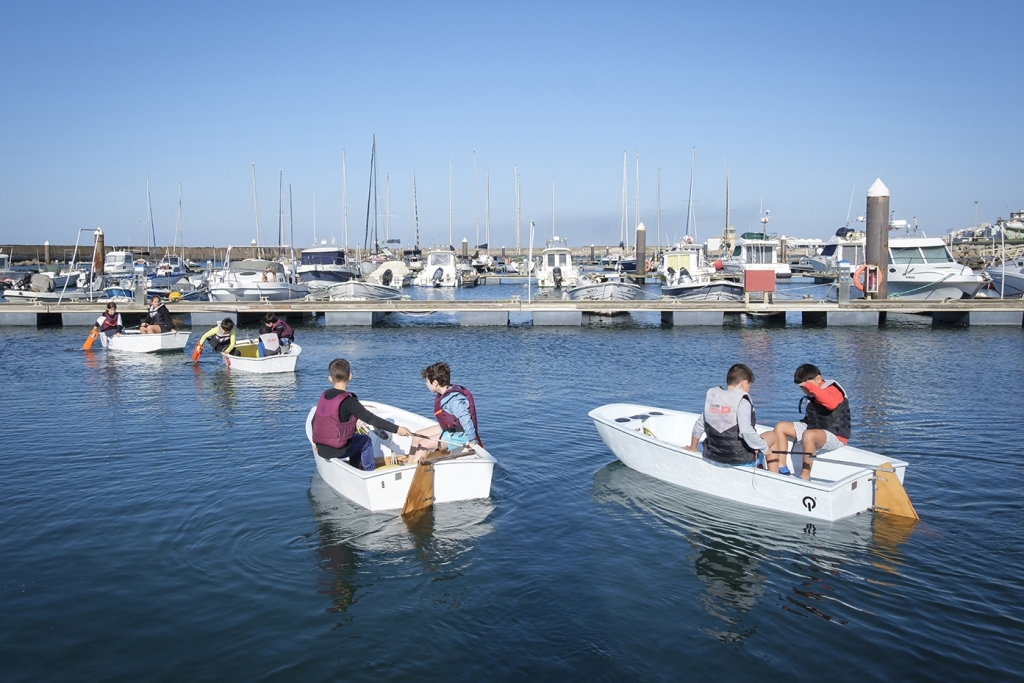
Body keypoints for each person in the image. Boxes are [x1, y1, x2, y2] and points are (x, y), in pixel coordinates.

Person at [311, 358, 412, 471]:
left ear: (330, 378)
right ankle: (370, 471)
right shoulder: (349, 401)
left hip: (321, 448)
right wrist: (397, 429)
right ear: (350, 376)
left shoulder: (324, 396)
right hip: (337, 449)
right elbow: (370, 419)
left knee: (355, 439)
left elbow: (314, 421)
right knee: (365, 441)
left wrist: (316, 442)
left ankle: (354, 468)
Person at [686, 363, 778, 469]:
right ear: (744, 384)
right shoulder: (742, 401)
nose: (749, 390)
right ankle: (773, 477)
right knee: (773, 436)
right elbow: (746, 432)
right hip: (740, 459)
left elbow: (699, 425)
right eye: (749, 386)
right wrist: (765, 449)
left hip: (713, 456)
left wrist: (693, 448)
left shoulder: (714, 399)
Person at [772, 364, 851, 480]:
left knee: (809, 435)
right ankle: (782, 466)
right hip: (814, 428)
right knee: (780, 426)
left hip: (836, 435)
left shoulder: (833, 390)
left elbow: (831, 404)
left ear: (818, 379)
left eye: (807, 387)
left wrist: (813, 388)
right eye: (802, 388)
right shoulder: (812, 393)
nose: (805, 390)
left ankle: (805, 475)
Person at [409, 362, 481, 462]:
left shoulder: (454, 400)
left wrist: (472, 441)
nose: (426, 384)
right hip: (451, 430)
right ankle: (409, 463)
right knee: (417, 436)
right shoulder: (444, 393)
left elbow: (465, 419)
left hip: (460, 435)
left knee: (423, 444)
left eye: (427, 381)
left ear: (435, 383)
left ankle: (411, 471)